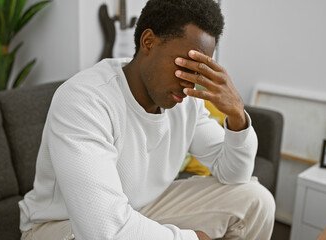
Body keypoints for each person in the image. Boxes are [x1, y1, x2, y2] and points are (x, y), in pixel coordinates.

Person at [19, 0, 275, 239]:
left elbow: (233, 174)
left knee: (255, 200)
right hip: (62, 226)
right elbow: (104, 231)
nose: (190, 82)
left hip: (140, 208)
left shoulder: (186, 101)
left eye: (198, 71)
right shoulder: (84, 100)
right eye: (186, 66)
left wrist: (237, 115)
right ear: (148, 41)